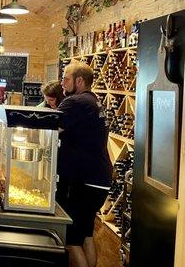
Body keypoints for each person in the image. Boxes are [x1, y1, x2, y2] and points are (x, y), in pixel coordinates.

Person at [56, 62, 112, 267]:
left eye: (66, 78)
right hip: (99, 178)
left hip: (85, 181)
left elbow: (48, 128)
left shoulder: (75, 102)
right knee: (85, 234)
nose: (62, 82)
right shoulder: (92, 101)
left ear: (79, 81)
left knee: (72, 239)